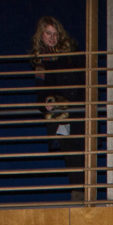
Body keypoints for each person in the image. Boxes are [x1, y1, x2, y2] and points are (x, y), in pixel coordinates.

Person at [30, 15, 83, 199]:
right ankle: (79, 193)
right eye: (48, 34)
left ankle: (82, 193)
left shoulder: (71, 54)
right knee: (71, 154)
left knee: (80, 151)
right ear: (41, 36)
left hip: (77, 110)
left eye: (55, 33)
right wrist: (47, 103)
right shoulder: (40, 62)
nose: (52, 38)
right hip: (60, 115)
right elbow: (41, 92)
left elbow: (79, 82)